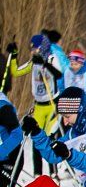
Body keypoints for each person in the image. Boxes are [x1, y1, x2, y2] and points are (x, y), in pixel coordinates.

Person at [8, 34, 63, 175]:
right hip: (39, 106)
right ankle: (37, 174)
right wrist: (14, 55)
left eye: (35, 49)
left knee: (50, 138)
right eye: (31, 49)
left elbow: (58, 75)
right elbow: (15, 72)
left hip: (52, 105)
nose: (32, 51)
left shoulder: (52, 58)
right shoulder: (33, 62)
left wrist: (44, 64)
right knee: (35, 139)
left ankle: (53, 173)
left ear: (42, 48)